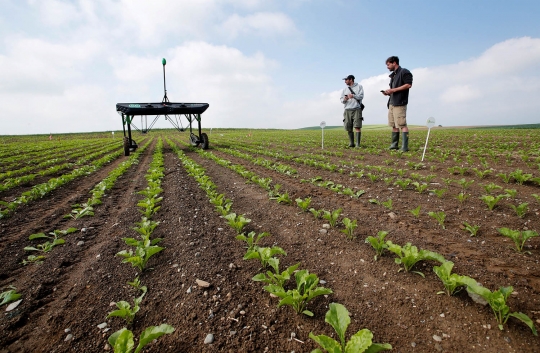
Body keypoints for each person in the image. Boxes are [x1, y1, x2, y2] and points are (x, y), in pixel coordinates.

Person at [382, 56, 413, 152]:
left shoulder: (404, 71)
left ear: (394, 63)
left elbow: (408, 84)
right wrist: (388, 93)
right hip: (392, 103)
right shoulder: (393, 75)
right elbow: (393, 90)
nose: (387, 67)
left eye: (388, 64)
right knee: (394, 125)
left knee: (402, 124)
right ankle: (394, 144)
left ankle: (404, 147)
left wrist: (393, 90)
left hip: (400, 103)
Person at [340, 75, 364, 147]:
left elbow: (361, 96)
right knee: (348, 127)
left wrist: (353, 96)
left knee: (357, 126)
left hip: (357, 109)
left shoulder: (359, 86)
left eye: (346, 80)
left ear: (351, 79)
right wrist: (345, 99)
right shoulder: (344, 89)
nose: (345, 81)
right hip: (347, 109)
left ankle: (357, 144)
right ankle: (351, 143)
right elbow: (341, 100)